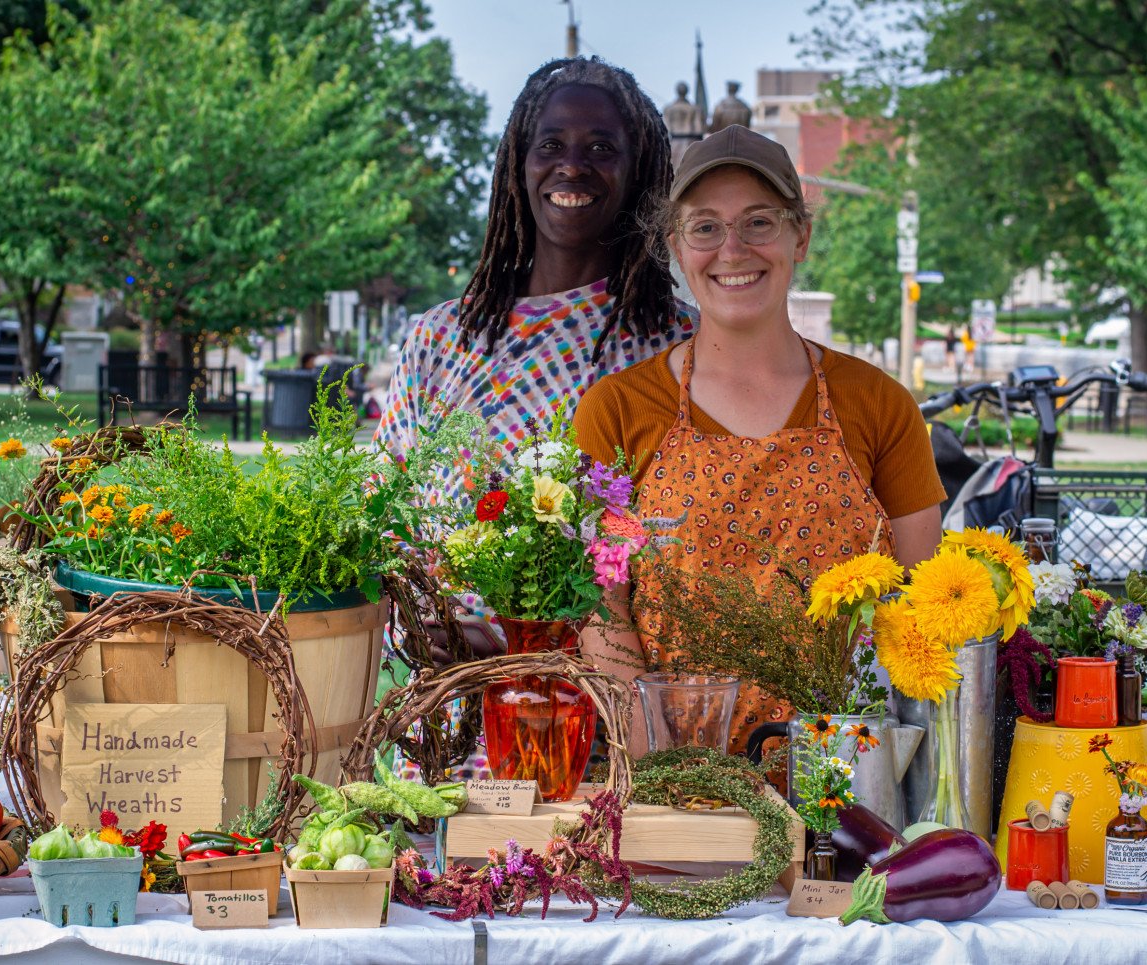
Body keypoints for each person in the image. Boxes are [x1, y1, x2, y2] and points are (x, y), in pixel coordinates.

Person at [574, 126, 945, 757]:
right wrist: (668, 771)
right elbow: (602, 616)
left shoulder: (880, 405)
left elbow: (920, 605)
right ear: (675, 246)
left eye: (759, 223)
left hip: (845, 782)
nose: (733, 249)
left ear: (801, 235)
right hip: (677, 776)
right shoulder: (616, 410)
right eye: (705, 227)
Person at [375, 56, 697, 775]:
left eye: (601, 148)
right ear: (517, 165)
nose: (572, 167)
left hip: (609, 740)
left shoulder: (677, 347)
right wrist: (420, 619)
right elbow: (382, 520)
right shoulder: (439, 341)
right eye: (550, 145)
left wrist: (534, 637)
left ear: (640, 170)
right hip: (449, 736)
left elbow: (687, 547)